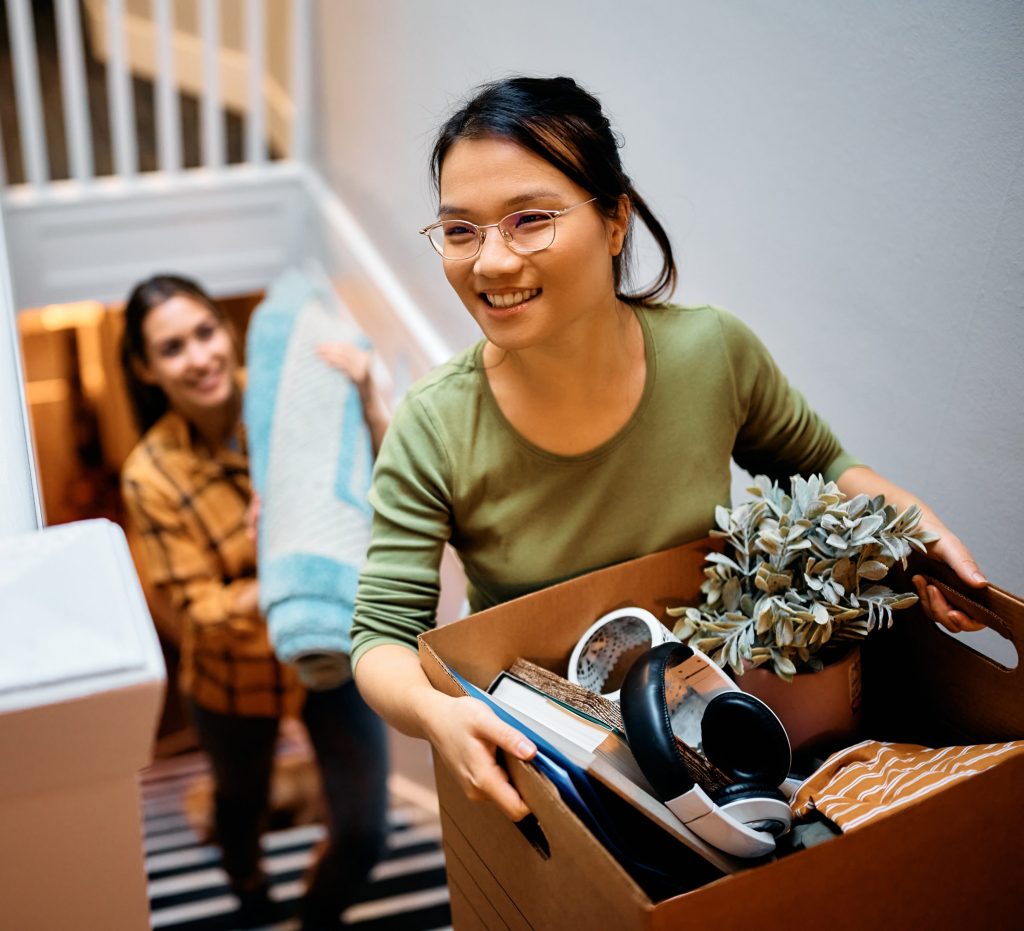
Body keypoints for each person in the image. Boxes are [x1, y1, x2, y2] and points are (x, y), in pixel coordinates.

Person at [348, 76, 988, 824]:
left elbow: (826, 465)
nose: (489, 262)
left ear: (616, 219)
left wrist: (920, 532)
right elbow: (380, 639)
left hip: (724, 734)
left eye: (529, 220)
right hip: (555, 773)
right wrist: (436, 715)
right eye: (461, 230)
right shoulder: (434, 425)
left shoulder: (711, 351)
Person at [119, 274, 389, 930]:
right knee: (240, 804)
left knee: (364, 827)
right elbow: (194, 610)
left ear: (229, 330)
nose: (201, 356)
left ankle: (316, 918)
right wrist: (272, 565)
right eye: (173, 346)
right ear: (145, 367)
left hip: (327, 639)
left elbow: (376, 485)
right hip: (230, 676)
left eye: (207, 331)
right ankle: (246, 882)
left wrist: (369, 401)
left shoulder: (289, 396)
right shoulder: (149, 475)